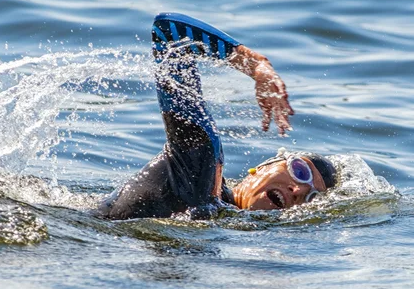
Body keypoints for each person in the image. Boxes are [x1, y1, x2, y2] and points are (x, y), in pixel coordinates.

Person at [99, 13, 336, 219]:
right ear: (263, 166)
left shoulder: (221, 210)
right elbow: (168, 31)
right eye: (300, 172)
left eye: (311, 198)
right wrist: (256, 66)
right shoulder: (199, 165)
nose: (297, 192)